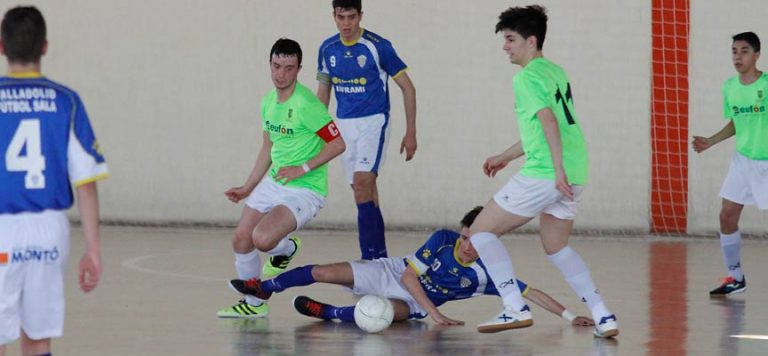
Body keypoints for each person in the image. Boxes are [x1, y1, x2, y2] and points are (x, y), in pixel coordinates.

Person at [463, 6, 618, 337]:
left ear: (530, 41)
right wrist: (506, 156)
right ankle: (604, 315)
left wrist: (556, 171)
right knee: (557, 246)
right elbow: (543, 129)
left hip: (547, 172)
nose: (505, 47)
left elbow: (548, 121)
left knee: (480, 232)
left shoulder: (526, 77)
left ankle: (514, 306)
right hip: (575, 170)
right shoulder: (555, 71)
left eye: (510, 39)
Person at [229, 206, 594, 327]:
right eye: (468, 237)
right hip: (394, 272)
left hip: (416, 304)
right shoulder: (442, 240)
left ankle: (329, 313)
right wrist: (438, 315)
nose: (469, 246)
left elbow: (530, 293)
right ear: (463, 232)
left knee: (384, 313)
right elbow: (408, 275)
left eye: (479, 242)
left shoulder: (486, 272)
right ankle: (267, 287)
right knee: (324, 271)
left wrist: (569, 316)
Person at [0, 6, 107, 356]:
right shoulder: (66, 102)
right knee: (38, 339)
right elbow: (86, 184)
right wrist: (93, 249)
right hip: (49, 230)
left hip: (2, 229)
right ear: (45, 46)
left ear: (2, 47)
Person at [217, 38, 346, 318]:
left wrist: (303, 168)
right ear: (270, 64)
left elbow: (338, 145)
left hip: (305, 189)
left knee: (262, 239)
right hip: (275, 181)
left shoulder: (307, 105)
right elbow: (268, 146)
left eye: (289, 68)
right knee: (241, 239)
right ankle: (254, 304)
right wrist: (248, 187)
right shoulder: (268, 102)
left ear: (298, 69)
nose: (281, 74)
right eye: (276, 66)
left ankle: (286, 248)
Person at [316, 0, 417, 260]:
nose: (346, 23)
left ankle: (368, 259)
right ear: (334, 16)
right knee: (363, 192)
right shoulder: (327, 48)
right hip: (344, 124)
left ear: (360, 16)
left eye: (351, 17)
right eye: (341, 17)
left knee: (362, 183)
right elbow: (324, 93)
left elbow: (408, 88)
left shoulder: (378, 46)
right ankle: (380, 257)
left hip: (374, 121)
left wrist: (411, 132)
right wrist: (316, 132)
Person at [693, 31, 767, 297]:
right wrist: (711, 141)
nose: (738, 57)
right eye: (734, 51)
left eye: (744, 51)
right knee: (726, 216)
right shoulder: (729, 88)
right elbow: (736, 122)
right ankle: (735, 278)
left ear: (757, 55)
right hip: (743, 161)